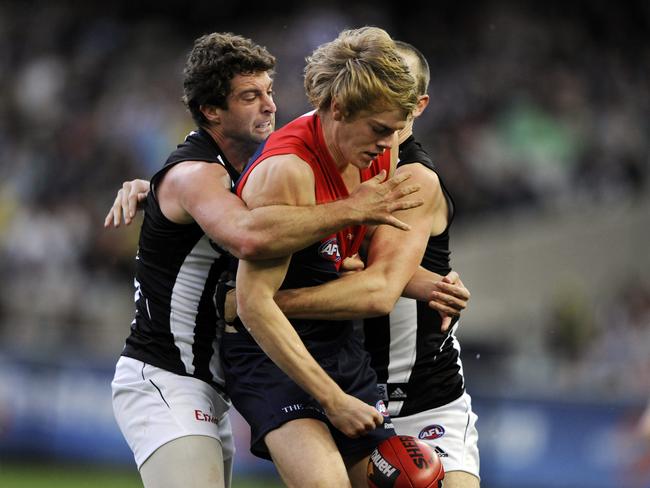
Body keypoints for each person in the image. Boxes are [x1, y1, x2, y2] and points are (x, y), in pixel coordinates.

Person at [109, 31, 428, 488]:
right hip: (168, 373)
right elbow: (249, 236)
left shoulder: (246, 166)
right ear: (211, 111)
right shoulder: (197, 175)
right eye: (249, 96)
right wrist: (353, 209)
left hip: (215, 371)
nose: (269, 106)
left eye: (270, 92)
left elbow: (294, 227)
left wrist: (408, 274)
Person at [229, 40, 480, 488]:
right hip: (274, 353)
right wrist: (332, 399)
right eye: (381, 129)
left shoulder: (380, 150)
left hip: (341, 349)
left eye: (396, 129)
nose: (390, 144)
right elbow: (253, 305)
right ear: (339, 108)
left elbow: (366, 258)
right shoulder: (289, 170)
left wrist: (428, 283)